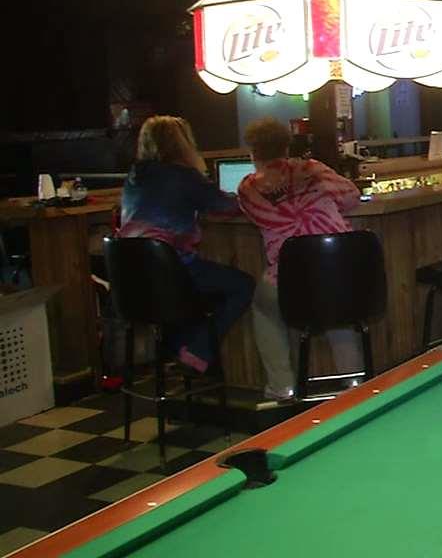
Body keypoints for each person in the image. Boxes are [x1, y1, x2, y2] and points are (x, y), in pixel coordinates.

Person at [236, 117, 363, 402]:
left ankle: (282, 387)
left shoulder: (247, 188)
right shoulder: (311, 169)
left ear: (253, 152)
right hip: (337, 273)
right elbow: (352, 196)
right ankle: (355, 382)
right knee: (337, 313)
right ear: (287, 144)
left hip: (288, 283)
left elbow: (253, 214)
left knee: (264, 307)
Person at [118, 116, 253, 374]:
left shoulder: (134, 176)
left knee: (191, 303)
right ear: (182, 144)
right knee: (243, 286)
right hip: (170, 272)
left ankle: (182, 354)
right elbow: (227, 207)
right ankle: (196, 353)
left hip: (133, 279)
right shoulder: (183, 176)